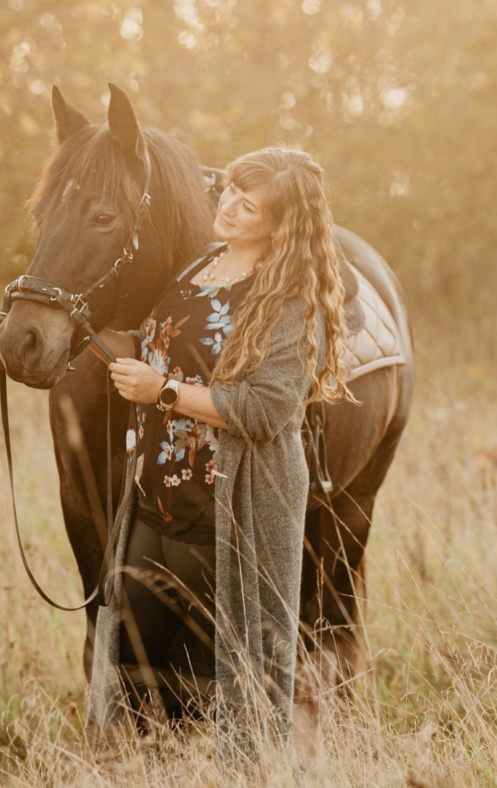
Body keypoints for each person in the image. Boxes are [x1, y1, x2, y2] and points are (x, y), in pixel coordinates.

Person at [85, 146, 354, 755]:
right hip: (156, 494)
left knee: (226, 681)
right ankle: (146, 780)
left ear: (280, 224)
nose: (227, 206)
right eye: (229, 190)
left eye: (247, 203)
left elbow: (264, 410)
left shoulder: (288, 297)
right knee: (133, 668)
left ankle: (241, 782)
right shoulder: (202, 262)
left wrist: (164, 392)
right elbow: (171, 346)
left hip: (226, 505)